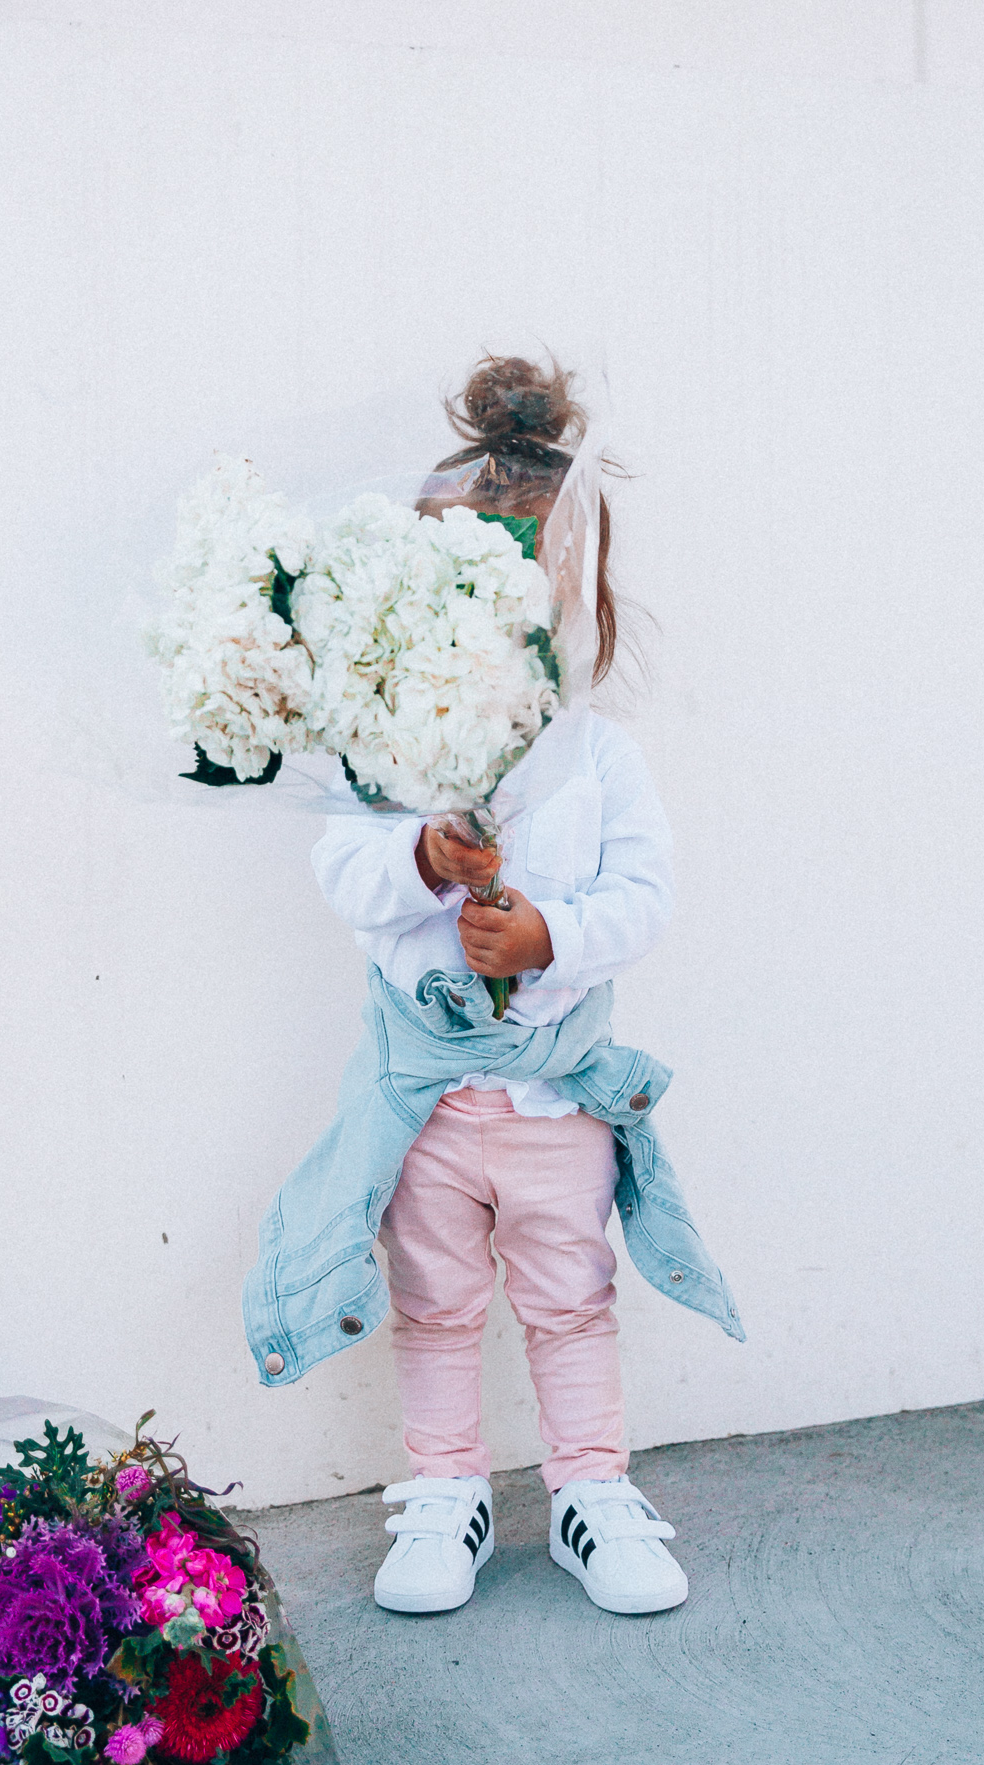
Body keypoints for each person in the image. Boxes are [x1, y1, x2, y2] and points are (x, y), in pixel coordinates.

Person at [287, 355, 741, 1619]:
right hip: (425, 1109)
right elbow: (343, 868)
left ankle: (591, 1487)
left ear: (575, 591)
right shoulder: (388, 751)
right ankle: (442, 1491)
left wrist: (547, 934)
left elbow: (644, 898)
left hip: (552, 1110)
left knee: (569, 1296)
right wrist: (421, 855)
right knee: (431, 1304)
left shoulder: (598, 757)